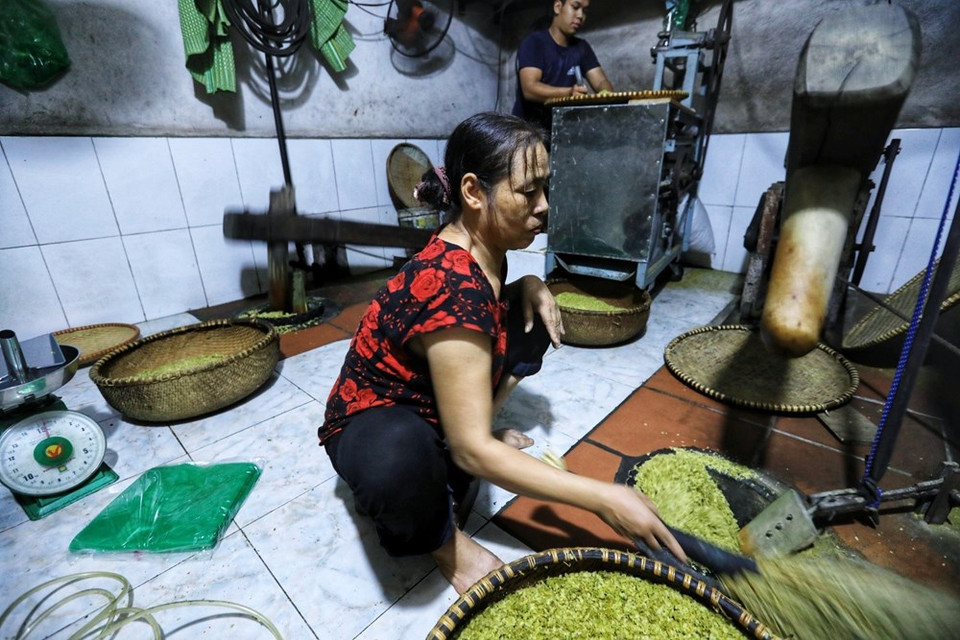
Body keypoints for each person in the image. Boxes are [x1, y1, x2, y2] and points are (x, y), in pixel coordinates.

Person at [318, 112, 683, 594]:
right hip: (371, 419)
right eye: (527, 192)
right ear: (473, 192)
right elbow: (470, 448)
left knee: (533, 316)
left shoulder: (482, 245)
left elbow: (491, 304)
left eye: (544, 189)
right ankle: (448, 546)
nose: (543, 206)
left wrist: (529, 284)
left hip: (429, 406)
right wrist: (603, 499)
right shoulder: (453, 286)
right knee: (402, 461)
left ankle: (464, 434)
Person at [512, 0, 615, 131]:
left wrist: (606, 93)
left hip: (561, 131)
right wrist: (569, 93)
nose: (580, 15)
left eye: (585, 10)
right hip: (527, 131)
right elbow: (530, 89)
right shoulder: (534, 42)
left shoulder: (582, 48)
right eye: (575, 7)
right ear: (557, 7)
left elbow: (601, 81)